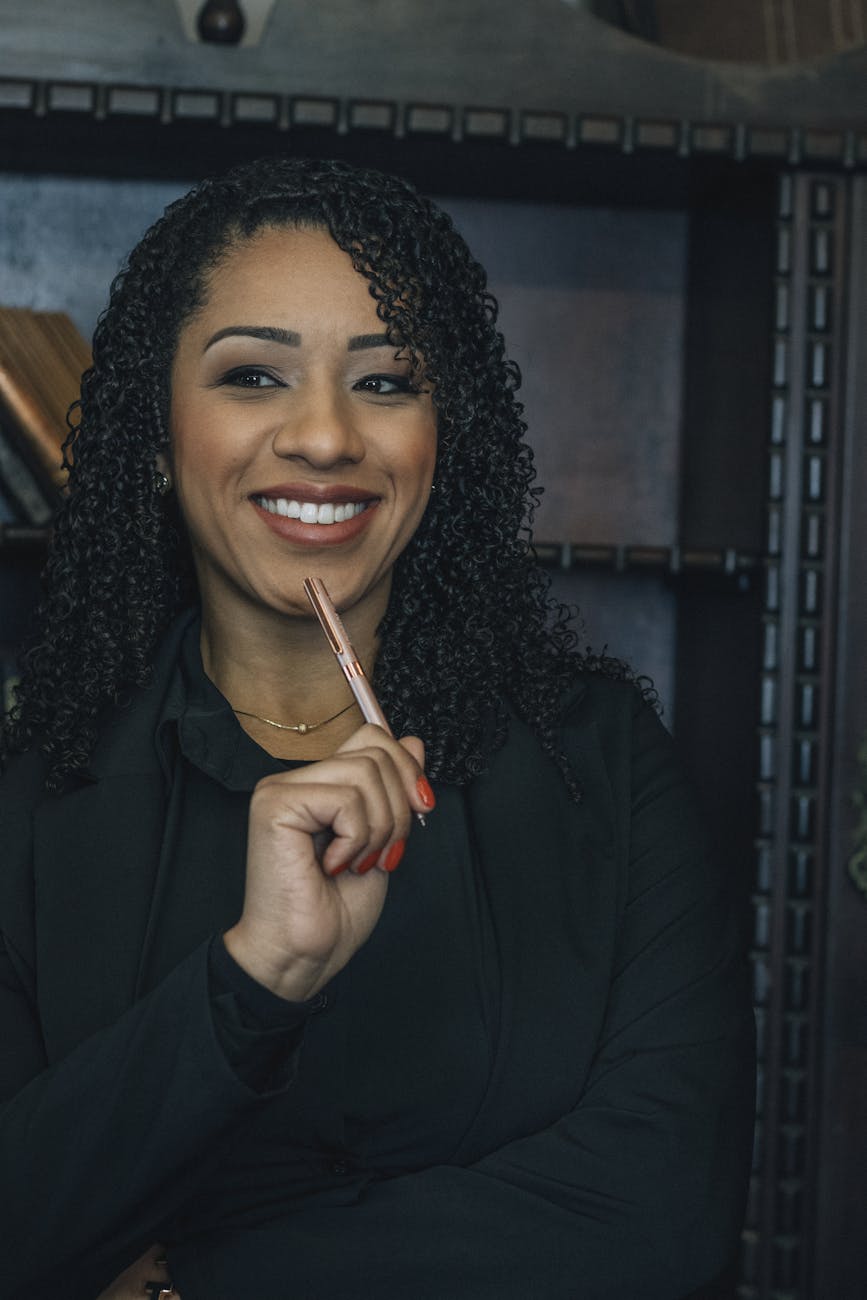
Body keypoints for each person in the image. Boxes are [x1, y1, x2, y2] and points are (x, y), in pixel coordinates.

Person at [0, 156, 754, 1300]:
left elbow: (660, 1215)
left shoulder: (601, 762)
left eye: (388, 382)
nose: (325, 436)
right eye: (253, 375)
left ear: (440, 444)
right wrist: (259, 977)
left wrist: (192, 1285)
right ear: (156, 434)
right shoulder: (29, 795)